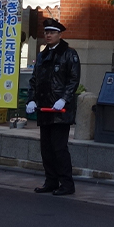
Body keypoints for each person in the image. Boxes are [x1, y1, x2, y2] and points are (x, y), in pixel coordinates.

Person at [26, 17, 81, 197]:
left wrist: (64, 99)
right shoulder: (42, 55)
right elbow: (34, 80)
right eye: (46, 32)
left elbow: (73, 80)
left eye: (52, 32)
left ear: (59, 34)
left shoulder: (69, 54)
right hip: (45, 109)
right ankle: (51, 181)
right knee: (46, 149)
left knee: (59, 148)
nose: (48, 35)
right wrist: (31, 100)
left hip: (59, 110)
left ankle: (67, 183)